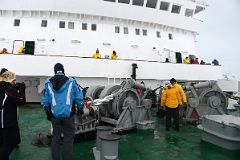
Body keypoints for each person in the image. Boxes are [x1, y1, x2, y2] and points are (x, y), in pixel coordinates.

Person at [42, 63, 84, 160]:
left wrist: (48, 113)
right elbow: (79, 97)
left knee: (55, 138)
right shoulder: (71, 81)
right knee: (68, 139)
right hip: (69, 115)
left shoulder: (48, 83)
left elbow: (45, 101)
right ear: (63, 70)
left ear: (55, 71)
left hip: (54, 116)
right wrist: (80, 109)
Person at [0, 69, 26, 160]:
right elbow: (21, 100)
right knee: (9, 144)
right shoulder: (9, 90)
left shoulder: (3, 87)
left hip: (3, 122)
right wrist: (22, 89)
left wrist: (14, 88)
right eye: (13, 80)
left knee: (2, 144)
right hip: (7, 123)